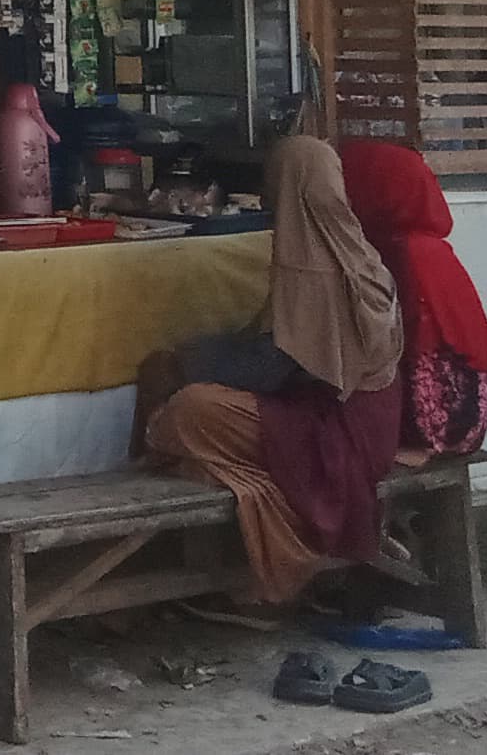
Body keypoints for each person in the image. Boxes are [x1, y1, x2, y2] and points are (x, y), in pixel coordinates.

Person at [133, 133, 404, 610]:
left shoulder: (316, 271)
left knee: (190, 407)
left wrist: (193, 364)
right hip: (353, 421)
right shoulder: (353, 251)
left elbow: (274, 367)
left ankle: (158, 531)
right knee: (169, 372)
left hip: (335, 435)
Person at [342, 139, 487, 459]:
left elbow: (404, 349)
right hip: (466, 421)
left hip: (434, 428)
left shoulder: (403, 253)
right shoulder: (428, 248)